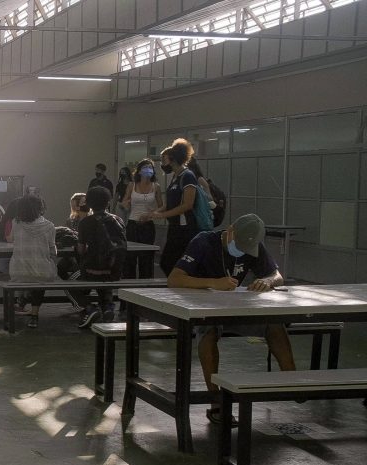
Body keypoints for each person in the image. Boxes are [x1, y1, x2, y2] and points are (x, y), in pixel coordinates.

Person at [167, 213, 296, 424]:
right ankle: (216, 401)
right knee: (207, 334)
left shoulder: (252, 245)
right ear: (230, 231)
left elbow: (277, 275)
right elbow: (174, 279)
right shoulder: (203, 242)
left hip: (235, 308)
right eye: (239, 244)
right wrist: (213, 283)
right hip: (202, 310)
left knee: (274, 324)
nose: (242, 249)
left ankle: (293, 383)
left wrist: (267, 281)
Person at [143, 139, 200, 276]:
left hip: (185, 228)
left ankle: (181, 287)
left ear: (173, 159)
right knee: (168, 263)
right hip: (174, 227)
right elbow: (170, 204)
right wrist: (154, 213)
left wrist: (162, 215)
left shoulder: (188, 176)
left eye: (164, 159)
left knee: (170, 262)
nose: (162, 163)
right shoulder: (175, 177)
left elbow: (188, 204)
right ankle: (178, 286)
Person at [75, 187, 127, 327]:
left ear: (89, 204)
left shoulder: (85, 223)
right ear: (108, 202)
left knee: (72, 284)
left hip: (91, 270)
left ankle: (90, 308)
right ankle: (108, 307)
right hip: (114, 270)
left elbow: (81, 250)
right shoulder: (118, 220)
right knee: (104, 278)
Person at [7, 195, 57, 328]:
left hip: (18, 272)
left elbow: (10, 239)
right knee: (41, 272)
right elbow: (53, 251)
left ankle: (22, 299)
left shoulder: (15, 223)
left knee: (28, 272)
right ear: (40, 208)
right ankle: (34, 315)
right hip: (42, 273)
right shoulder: (50, 226)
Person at [121, 159, 163, 279]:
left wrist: (152, 214)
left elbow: (161, 206)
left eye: (150, 168)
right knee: (131, 257)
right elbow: (124, 201)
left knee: (147, 257)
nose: (148, 170)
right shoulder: (132, 185)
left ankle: (146, 284)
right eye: (145, 168)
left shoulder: (156, 187)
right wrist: (126, 203)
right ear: (139, 171)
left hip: (148, 224)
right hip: (133, 222)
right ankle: (129, 285)